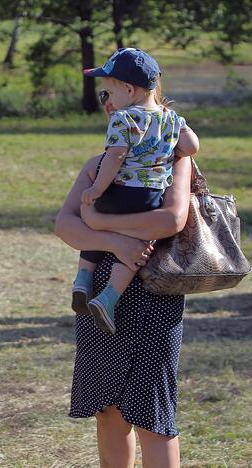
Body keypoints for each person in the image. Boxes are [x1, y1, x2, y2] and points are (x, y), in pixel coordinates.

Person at [54, 72, 199, 465]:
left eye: (111, 92)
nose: (107, 102)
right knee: (108, 411)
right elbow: (65, 224)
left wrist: (99, 223)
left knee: (154, 414)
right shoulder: (97, 166)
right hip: (100, 300)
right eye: (104, 94)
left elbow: (170, 220)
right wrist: (114, 240)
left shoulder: (174, 161)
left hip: (155, 294)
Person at [70, 48, 199, 335]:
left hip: (120, 191)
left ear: (128, 89)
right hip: (149, 199)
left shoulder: (124, 119)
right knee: (136, 245)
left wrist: (96, 189)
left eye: (108, 93)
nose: (108, 101)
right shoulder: (171, 119)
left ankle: (82, 279)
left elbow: (115, 157)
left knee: (101, 223)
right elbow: (190, 148)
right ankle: (108, 297)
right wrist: (173, 134)